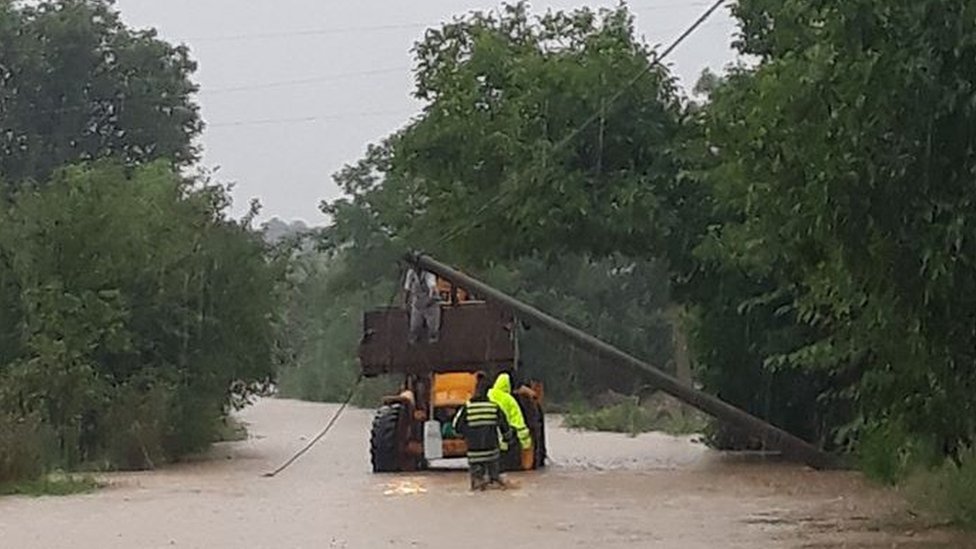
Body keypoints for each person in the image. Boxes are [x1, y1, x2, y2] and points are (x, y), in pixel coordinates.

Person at [453, 372, 510, 490]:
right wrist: (507, 439)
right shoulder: (494, 407)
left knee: (477, 486)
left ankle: (478, 483)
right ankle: (494, 479)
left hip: (474, 453)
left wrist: (464, 436)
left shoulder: (467, 408)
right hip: (492, 453)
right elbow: (505, 428)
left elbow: (456, 427)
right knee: (495, 484)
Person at [488, 372, 533, 469]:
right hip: (504, 441)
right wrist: (526, 445)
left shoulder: (488, 394)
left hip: (485, 436)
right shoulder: (509, 400)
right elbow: (519, 424)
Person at [403, 266, 440, 343]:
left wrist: (430, 300)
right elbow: (407, 289)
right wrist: (405, 302)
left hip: (430, 303)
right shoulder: (411, 273)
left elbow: (432, 287)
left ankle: (433, 342)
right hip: (417, 302)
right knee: (414, 327)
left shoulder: (428, 273)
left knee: (433, 329)